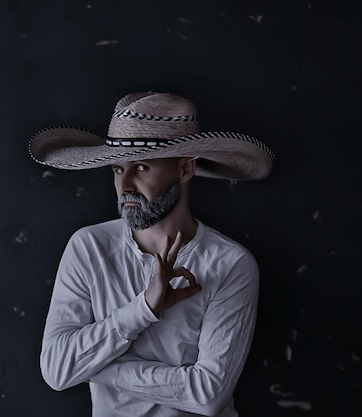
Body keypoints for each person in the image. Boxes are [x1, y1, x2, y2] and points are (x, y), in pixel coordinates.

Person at [30, 91, 275, 416]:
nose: (125, 185)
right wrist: (144, 308)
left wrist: (94, 366)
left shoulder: (230, 264)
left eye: (142, 167)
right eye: (118, 170)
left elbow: (207, 395)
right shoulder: (88, 248)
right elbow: (57, 370)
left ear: (185, 170)